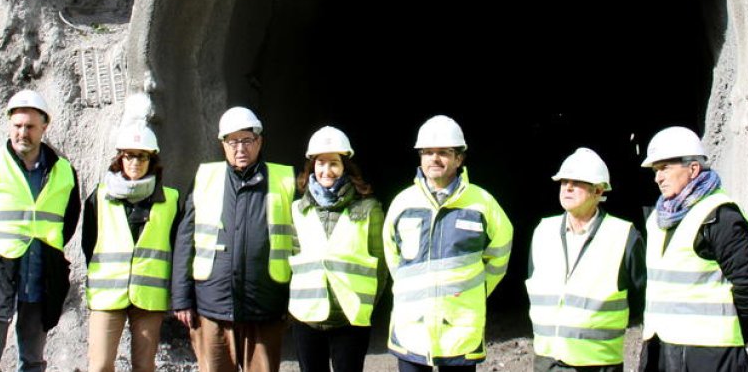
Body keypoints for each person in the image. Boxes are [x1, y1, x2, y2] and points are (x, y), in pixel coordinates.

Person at [0, 89, 80, 372]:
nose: (23, 133)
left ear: (45, 127)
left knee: (33, 361)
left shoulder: (65, 171)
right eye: (17, 126)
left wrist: (47, 245)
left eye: (30, 127)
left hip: (40, 274)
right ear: (9, 126)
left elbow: (68, 221)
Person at [383, 115, 514, 372]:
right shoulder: (403, 203)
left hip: (460, 328)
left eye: (444, 152)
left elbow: (500, 252)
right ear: (420, 157)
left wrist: (474, 291)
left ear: (459, 158)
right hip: (412, 327)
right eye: (428, 152)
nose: (435, 158)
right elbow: (392, 253)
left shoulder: (482, 203)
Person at [172, 106, 297, 372]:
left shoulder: (284, 180)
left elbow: (299, 242)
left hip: (265, 305)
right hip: (212, 304)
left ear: (259, 141)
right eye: (233, 141)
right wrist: (181, 297)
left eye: (247, 140)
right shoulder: (206, 178)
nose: (240, 148)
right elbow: (186, 239)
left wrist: (295, 300)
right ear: (223, 145)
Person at [638, 127, 748, 372]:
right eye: (656, 170)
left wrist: (734, 333)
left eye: (665, 168)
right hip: (662, 348)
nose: (658, 178)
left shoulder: (719, 215)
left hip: (710, 355)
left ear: (693, 169)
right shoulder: (659, 217)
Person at [525, 147, 646, 371]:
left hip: (597, 363)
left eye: (577, 182)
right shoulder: (543, 231)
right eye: (563, 182)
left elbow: (639, 300)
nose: (567, 187)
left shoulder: (623, 235)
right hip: (547, 362)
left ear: (599, 191)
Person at [82, 119, 180, 372]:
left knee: (144, 366)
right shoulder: (99, 196)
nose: (135, 162)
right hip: (107, 294)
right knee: (100, 365)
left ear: (152, 160)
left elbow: (176, 246)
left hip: (149, 297)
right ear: (120, 158)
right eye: (129, 156)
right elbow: (88, 243)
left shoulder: (170, 200)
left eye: (142, 157)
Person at [288, 126, 387, 372]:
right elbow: (293, 260)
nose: (326, 170)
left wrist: (366, 305)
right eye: (320, 163)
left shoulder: (369, 209)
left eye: (334, 163)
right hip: (307, 316)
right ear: (311, 167)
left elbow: (381, 264)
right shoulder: (298, 209)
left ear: (345, 167)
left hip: (350, 317)